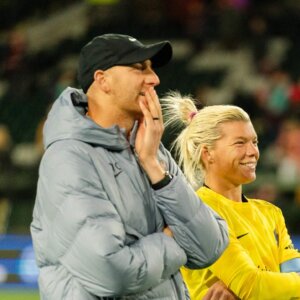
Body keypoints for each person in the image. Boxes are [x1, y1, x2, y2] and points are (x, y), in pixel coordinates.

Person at [30, 34, 229, 299]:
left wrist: (155, 168)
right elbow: (111, 272)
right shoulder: (68, 157)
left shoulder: (149, 147)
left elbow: (209, 245)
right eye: (139, 68)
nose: (154, 79)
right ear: (103, 81)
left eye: (152, 68)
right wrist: (174, 239)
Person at [162, 91, 300, 299]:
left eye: (254, 142)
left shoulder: (271, 212)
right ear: (207, 153)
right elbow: (251, 286)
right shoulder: (198, 211)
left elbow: (292, 274)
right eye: (240, 143)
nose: (252, 151)